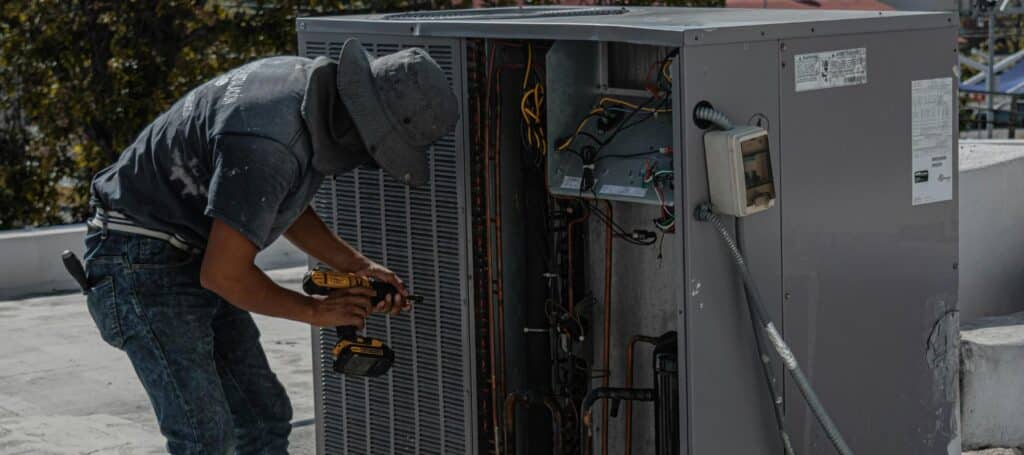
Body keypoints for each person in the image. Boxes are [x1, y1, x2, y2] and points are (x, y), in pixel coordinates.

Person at [81, 38, 459, 454]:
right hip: (138, 260)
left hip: (183, 246)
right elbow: (224, 273)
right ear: (366, 128)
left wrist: (355, 264)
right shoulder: (269, 143)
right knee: (204, 437)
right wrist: (315, 311)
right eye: (378, 153)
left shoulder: (303, 94)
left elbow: (267, 200)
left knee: (263, 417)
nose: (369, 163)